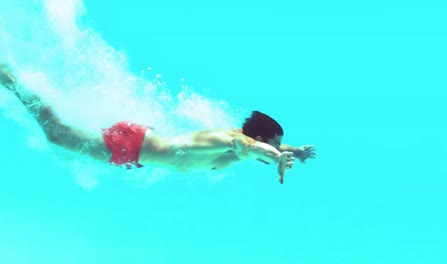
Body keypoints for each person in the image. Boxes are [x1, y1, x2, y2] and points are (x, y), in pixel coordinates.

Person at [0, 64, 316, 184]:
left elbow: (259, 144)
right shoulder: (235, 143)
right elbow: (252, 146)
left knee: (66, 146)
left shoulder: (241, 144)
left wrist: (295, 152)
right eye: (274, 144)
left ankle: (13, 81)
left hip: (141, 144)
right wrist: (277, 157)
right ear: (261, 139)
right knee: (57, 135)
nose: (276, 149)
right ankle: (10, 80)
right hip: (136, 148)